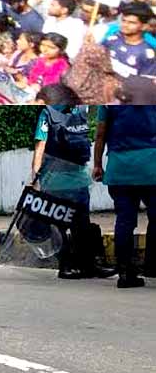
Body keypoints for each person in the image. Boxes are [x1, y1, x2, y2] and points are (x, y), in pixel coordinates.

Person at [30, 102, 115, 280]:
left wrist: (34, 180)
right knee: (80, 224)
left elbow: (40, 146)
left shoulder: (48, 112)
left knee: (64, 225)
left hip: (61, 180)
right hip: (72, 180)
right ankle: (86, 265)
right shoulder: (80, 109)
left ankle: (70, 265)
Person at [92, 106, 156, 288]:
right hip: (151, 167)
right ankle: (152, 266)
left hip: (119, 168)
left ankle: (125, 273)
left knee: (124, 221)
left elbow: (100, 134)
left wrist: (97, 164)